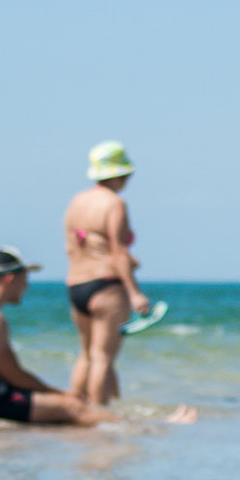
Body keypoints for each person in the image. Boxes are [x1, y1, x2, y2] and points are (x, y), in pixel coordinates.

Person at [0, 247, 120, 425]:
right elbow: (14, 374)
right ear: (10, 279)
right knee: (73, 407)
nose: (26, 285)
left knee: (64, 409)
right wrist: (59, 394)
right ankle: (129, 431)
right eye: (24, 279)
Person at [62, 142, 151, 404]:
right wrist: (135, 294)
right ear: (120, 174)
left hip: (76, 284)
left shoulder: (76, 201)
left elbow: (79, 244)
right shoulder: (114, 204)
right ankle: (100, 419)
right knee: (103, 358)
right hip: (106, 286)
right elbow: (118, 252)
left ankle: (76, 408)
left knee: (87, 354)